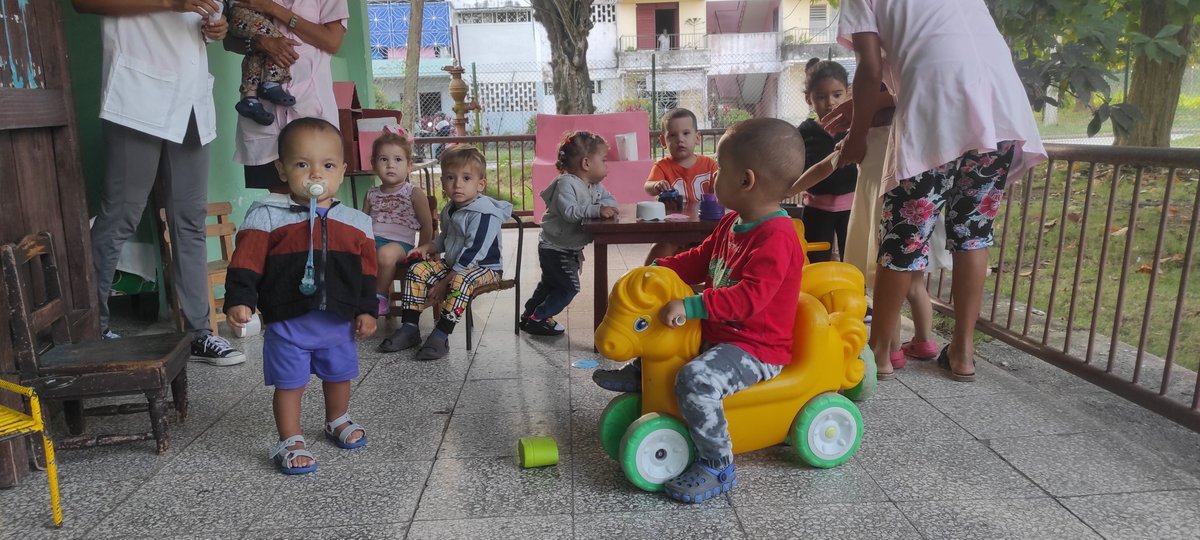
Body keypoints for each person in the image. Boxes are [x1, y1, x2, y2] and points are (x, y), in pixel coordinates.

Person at [835, 0, 1046, 381]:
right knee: (973, 233)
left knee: (904, 235)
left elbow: (869, 69)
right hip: (998, 103)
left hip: (937, 103)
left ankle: (880, 353)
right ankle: (963, 353)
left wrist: (857, 135)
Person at [73, 0, 245, 364]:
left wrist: (216, 30)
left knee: (189, 221)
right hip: (137, 95)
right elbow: (83, 3)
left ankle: (200, 333)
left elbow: (204, 22)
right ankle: (94, 328)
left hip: (192, 100)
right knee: (120, 214)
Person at [650, 118, 807, 502]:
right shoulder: (733, 221)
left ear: (746, 180)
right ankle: (642, 376)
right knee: (664, 336)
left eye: (719, 170)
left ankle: (718, 465)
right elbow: (700, 259)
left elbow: (748, 298)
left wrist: (692, 305)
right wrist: (658, 273)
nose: (713, 176)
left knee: (697, 380)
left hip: (756, 348)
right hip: (723, 336)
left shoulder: (776, 237)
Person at [224, 118, 377, 475]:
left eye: (326, 165)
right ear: (282, 168)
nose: (315, 175)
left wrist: (367, 309)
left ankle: (337, 419)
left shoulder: (357, 222)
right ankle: (289, 439)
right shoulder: (266, 215)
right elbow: (245, 263)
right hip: (288, 323)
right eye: (302, 164)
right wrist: (240, 298)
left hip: (336, 322)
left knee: (339, 375)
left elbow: (366, 273)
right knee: (289, 383)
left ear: (341, 171)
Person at [381, 146, 513, 360]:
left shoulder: (485, 214)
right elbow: (446, 239)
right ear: (443, 182)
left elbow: (473, 254)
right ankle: (409, 327)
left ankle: (441, 334)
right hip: (454, 265)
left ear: (481, 184)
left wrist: (444, 283)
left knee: (461, 280)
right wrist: (427, 248)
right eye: (451, 178)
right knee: (417, 270)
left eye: (466, 178)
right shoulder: (451, 208)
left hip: (484, 268)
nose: (458, 184)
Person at [229, 0, 349, 192]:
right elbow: (229, 38)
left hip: (311, 107)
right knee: (278, 200)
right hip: (263, 112)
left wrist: (273, 9)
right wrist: (260, 42)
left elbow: (332, 42)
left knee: (317, 195)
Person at [520, 131, 619, 336]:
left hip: (566, 247)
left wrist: (606, 206)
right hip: (554, 248)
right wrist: (596, 210)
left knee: (549, 284)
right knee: (568, 288)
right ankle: (539, 318)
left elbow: (611, 201)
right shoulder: (566, 184)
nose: (607, 165)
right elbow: (570, 212)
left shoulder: (594, 185)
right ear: (586, 163)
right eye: (604, 159)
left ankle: (528, 315)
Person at [362, 133, 435, 318]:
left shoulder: (413, 193)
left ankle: (378, 298)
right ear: (373, 163)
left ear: (409, 165)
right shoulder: (371, 193)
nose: (390, 165)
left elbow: (427, 224)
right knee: (347, 255)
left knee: (385, 255)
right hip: (372, 239)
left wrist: (422, 249)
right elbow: (362, 222)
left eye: (398, 159)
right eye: (384, 159)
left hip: (400, 244)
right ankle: (357, 297)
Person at [797, 58, 857, 263]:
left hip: (853, 209)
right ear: (809, 99)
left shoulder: (856, 129)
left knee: (853, 261)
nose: (830, 102)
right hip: (817, 210)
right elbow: (797, 167)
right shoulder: (804, 132)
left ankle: (856, 294)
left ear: (847, 93)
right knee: (815, 261)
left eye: (837, 95)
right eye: (821, 96)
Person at [642, 108, 718, 264]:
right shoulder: (662, 166)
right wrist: (656, 185)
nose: (680, 139)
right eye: (672, 135)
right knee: (661, 248)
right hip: (674, 228)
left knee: (723, 247)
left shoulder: (709, 164)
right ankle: (645, 279)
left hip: (706, 227)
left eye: (686, 133)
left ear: (697, 138)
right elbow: (647, 187)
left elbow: (720, 190)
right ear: (663, 141)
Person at [227, 1, 296, 126]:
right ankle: (271, 82)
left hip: (246, 14)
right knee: (276, 41)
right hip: (243, 12)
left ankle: (250, 98)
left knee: (257, 51)